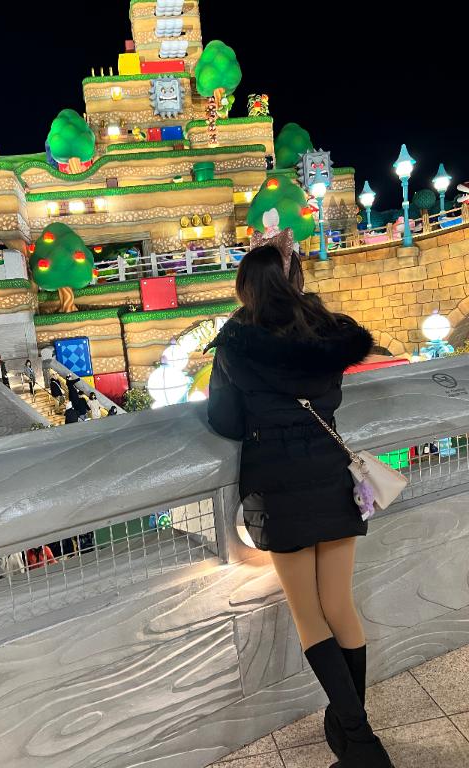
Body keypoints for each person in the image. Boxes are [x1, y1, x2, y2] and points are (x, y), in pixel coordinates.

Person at [206, 229, 393, 768]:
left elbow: (225, 420)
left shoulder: (237, 343)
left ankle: (362, 743)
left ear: (247, 287)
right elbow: (330, 398)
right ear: (296, 279)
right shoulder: (327, 336)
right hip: (332, 475)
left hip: (277, 483)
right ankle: (352, 732)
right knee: (340, 606)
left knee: (309, 616)